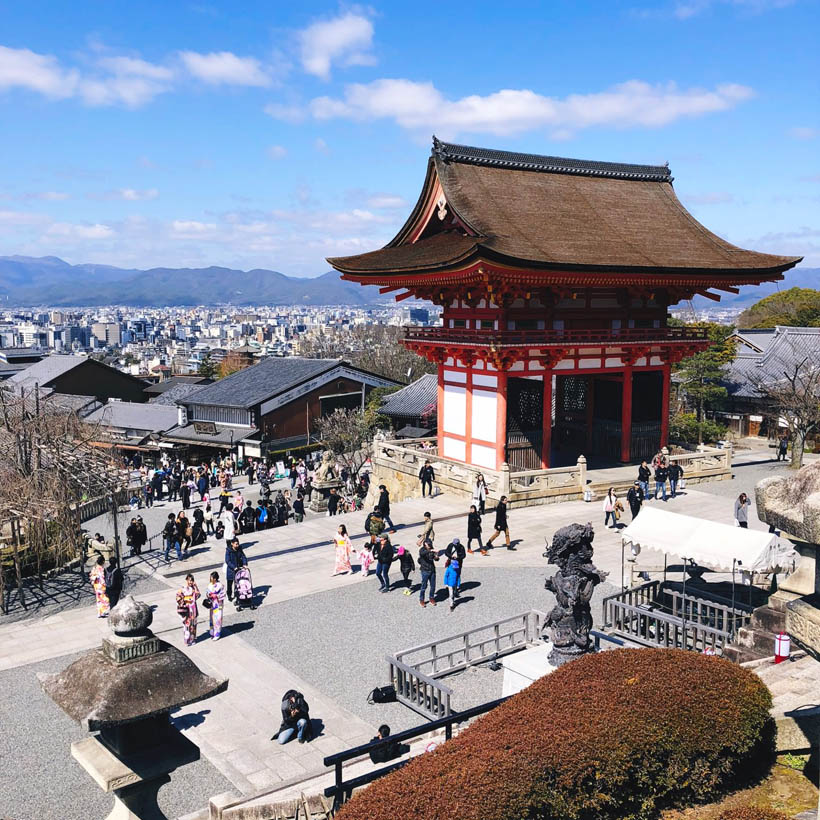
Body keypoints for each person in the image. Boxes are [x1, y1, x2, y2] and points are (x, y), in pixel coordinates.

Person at [176, 573, 200, 646]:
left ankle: (192, 639)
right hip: (187, 608)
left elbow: (198, 595)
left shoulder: (193, 588)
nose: (190, 582)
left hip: (193, 608)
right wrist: (183, 602)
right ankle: (186, 640)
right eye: (189, 580)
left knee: (193, 624)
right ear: (186, 580)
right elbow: (178, 597)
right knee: (187, 625)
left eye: (192, 580)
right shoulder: (183, 588)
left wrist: (195, 586)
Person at [418, 537, 438, 608]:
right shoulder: (422, 550)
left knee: (433, 586)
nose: (430, 546)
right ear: (425, 544)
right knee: (424, 586)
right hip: (425, 570)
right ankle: (421, 599)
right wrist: (430, 551)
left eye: (430, 545)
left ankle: (431, 597)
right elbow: (422, 553)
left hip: (432, 570)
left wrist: (436, 557)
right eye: (428, 545)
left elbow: (436, 559)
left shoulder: (430, 550)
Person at [206, 571, 226, 640]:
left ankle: (217, 634)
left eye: (212, 578)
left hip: (218, 604)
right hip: (212, 604)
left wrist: (216, 596)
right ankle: (212, 632)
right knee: (212, 618)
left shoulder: (220, 585)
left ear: (215, 578)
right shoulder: (209, 585)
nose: (211, 579)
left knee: (218, 618)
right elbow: (207, 592)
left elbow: (223, 594)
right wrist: (209, 595)